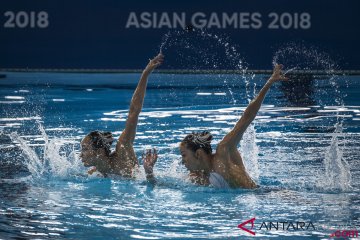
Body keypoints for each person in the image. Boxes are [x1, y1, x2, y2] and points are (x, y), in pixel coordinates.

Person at [179, 64, 289, 189]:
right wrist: (150, 174)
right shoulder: (198, 176)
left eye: (184, 155)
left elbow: (247, 117)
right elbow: (165, 185)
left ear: (198, 154)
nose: (182, 162)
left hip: (264, 195)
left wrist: (269, 82)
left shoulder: (224, 151)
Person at [80, 53, 163, 180]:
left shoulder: (122, 152)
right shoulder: (94, 174)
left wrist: (145, 74)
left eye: (85, 149)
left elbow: (134, 111)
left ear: (100, 152)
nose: (80, 155)